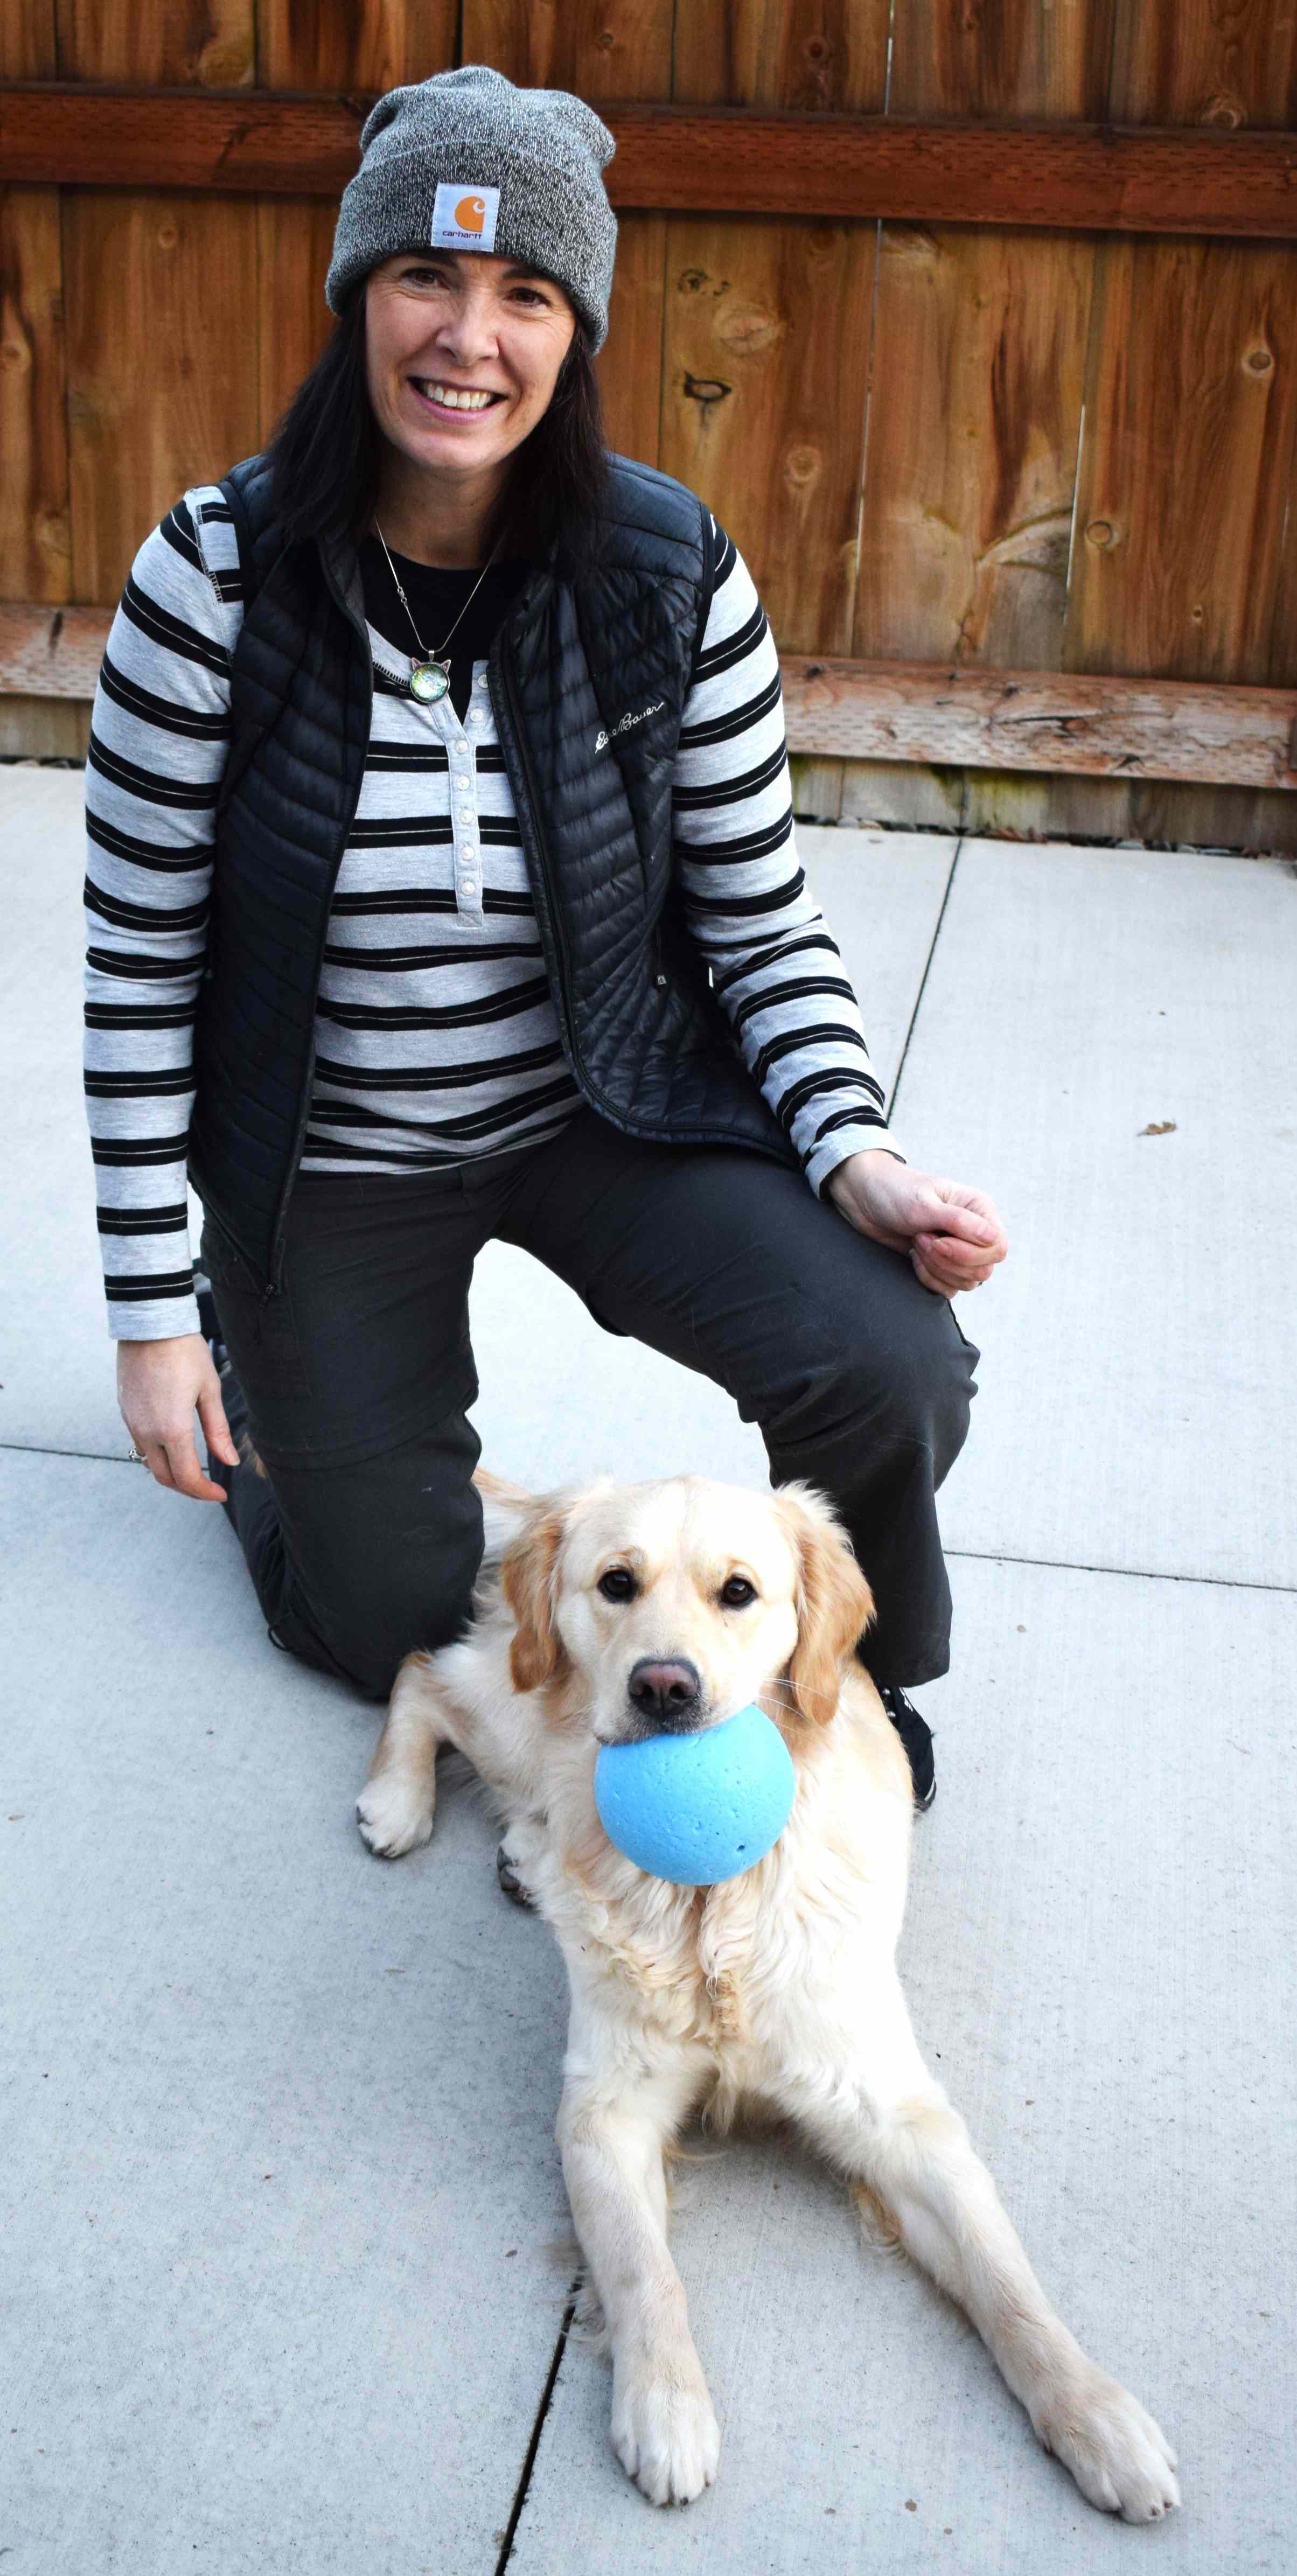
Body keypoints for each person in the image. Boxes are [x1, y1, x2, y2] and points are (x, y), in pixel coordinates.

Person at [83, 63, 1006, 1820]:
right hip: (328, 1159)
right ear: (359, 293)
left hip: (607, 1110)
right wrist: (152, 1316)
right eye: (429, 276)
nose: (469, 336)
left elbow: (758, 918)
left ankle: (854, 1688)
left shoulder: (667, 571)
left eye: (526, 294)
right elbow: (136, 967)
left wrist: (859, 1156)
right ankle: (269, 1369)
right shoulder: (210, 576)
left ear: (574, 331)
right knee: (410, 1630)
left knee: (887, 1357)